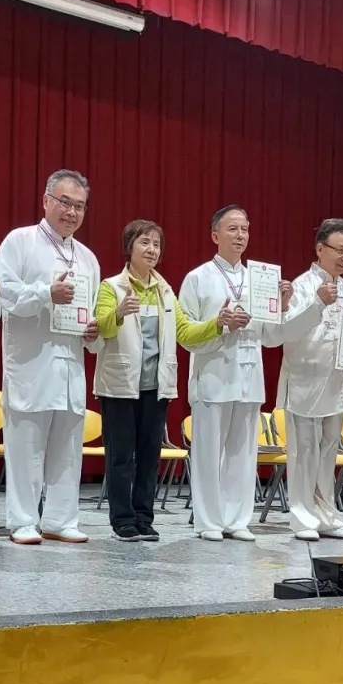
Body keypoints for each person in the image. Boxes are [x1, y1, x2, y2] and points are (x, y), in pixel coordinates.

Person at [94, 220, 224, 541]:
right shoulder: (111, 287)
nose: (152, 250)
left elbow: (185, 332)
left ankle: (144, 518)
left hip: (156, 387)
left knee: (150, 456)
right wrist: (118, 313)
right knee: (121, 457)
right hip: (120, 386)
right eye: (145, 243)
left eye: (156, 244)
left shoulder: (165, 291)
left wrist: (217, 324)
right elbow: (101, 329)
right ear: (129, 247)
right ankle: (122, 520)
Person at [0, 170, 101, 544]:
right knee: (26, 448)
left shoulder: (87, 258)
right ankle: (23, 520)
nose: (72, 212)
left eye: (79, 206)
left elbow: (89, 313)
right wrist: (44, 294)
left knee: (68, 449)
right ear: (45, 201)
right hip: (31, 363)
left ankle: (60, 519)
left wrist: (92, 333)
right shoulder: (20, 242)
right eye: (65, 202)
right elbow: (2, 295)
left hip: (71, 365)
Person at [178, 205, 292, 542]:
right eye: (232, 229)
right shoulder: (197, 278)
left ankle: (238, 519)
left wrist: (282, 306)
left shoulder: (260, 279)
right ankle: (208, 521)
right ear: (215, 235)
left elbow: (271, 337)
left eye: (244, 229)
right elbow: (185, 335)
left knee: (243, 454)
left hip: (249, 377)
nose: (240, 235)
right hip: (213, 375)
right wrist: (220, 324)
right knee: (208, 453)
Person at [269, 218, 343, 542]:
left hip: (337, 383)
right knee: (304, 452)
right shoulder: (301, 286)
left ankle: (328, 515)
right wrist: (317, 303)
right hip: (305, 381)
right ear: (319, 249)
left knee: (328, 453)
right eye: (340, 250)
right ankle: (302, 517)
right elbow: (285, 332)